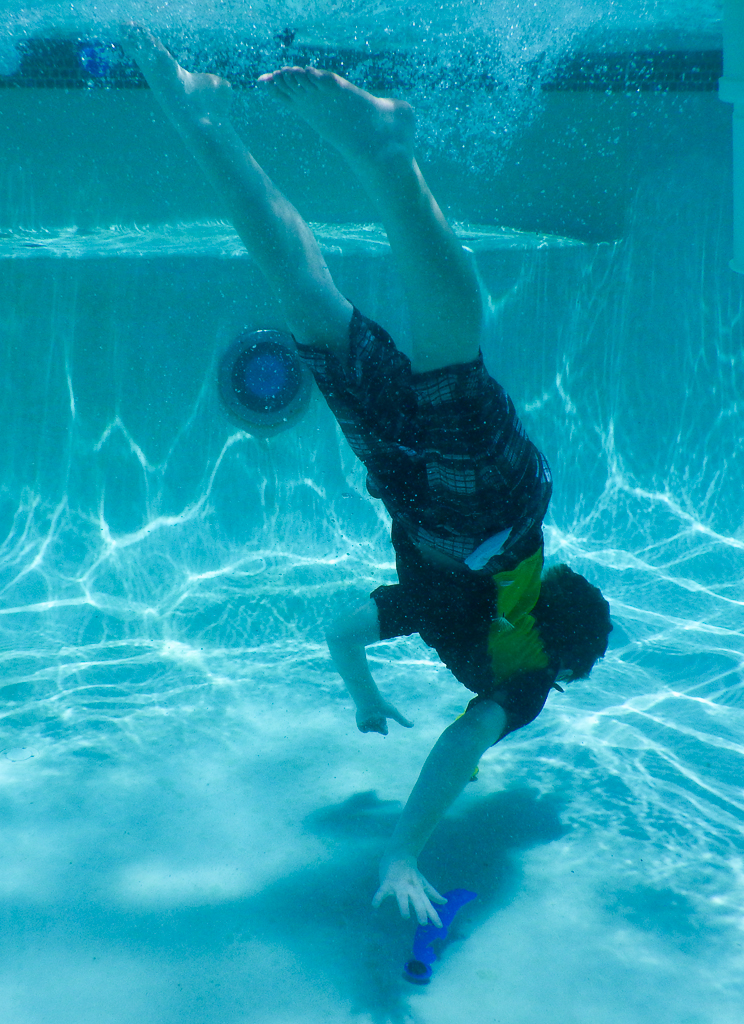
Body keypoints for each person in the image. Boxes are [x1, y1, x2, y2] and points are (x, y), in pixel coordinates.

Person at [120, 26, 612, 929]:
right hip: (464, 510)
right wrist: (402, 848)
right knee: (398, 340)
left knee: (337, 314)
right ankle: (365, 152)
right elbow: (453, 744)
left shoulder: (457, 624)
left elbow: (344, 633)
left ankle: (210, 120)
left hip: (428, 496)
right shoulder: (516, 682)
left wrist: (364, 694)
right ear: (557, 664)